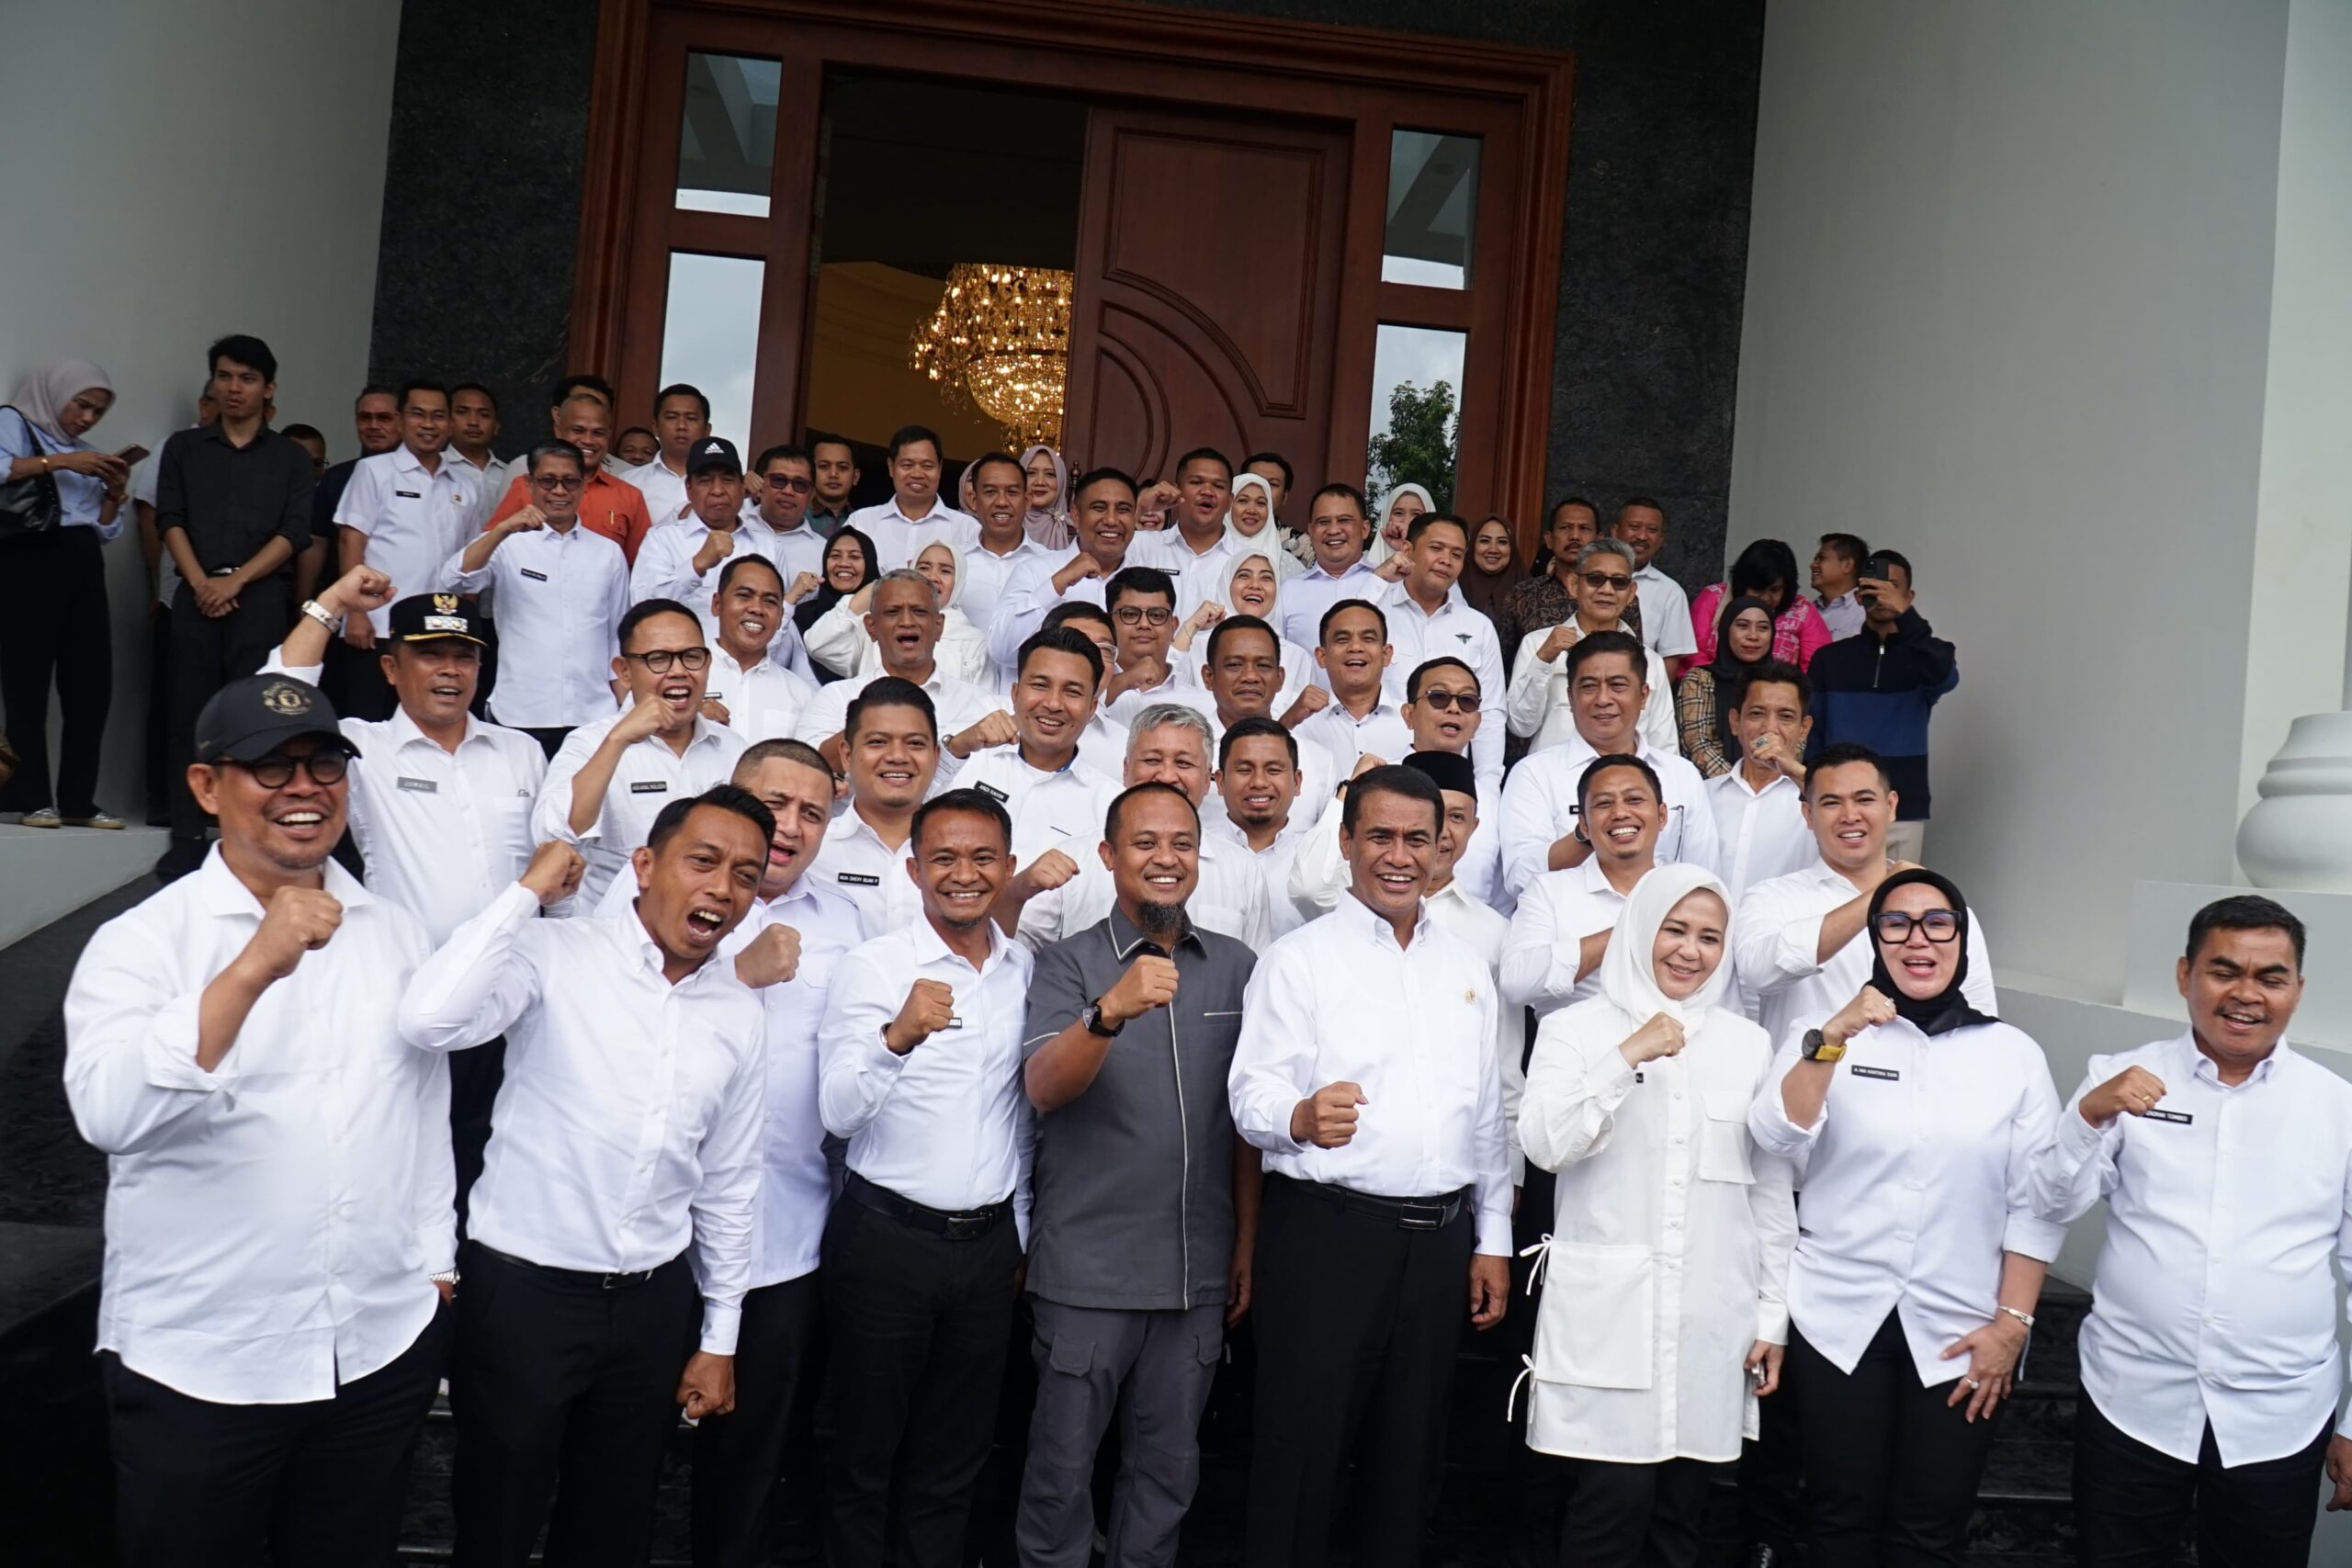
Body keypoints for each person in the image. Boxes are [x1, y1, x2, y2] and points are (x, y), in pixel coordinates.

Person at [64, 672, 447, 1566]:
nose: (303, 789)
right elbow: (109, 1114)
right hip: (204, 1363)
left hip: (375, 1347)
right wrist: (250, 969)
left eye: (323, 765)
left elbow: (421, 1106)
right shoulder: (141, 942)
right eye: (271, 768)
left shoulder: (394, 930)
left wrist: (436, 1262)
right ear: (207, 787)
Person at [399, 789, 773, 1567]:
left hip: (651, 1306)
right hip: (522, 1298)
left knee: (614, 1531)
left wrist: (720, 1338)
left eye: (745, 874)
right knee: (496, 1526)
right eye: (703, 861)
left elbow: (730, 1185)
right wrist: (525, 895)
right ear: (644, 865)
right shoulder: (554, 953)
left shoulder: (739, 1014)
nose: (722, 887)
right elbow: (430, 1020)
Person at [1229, 764, 1510, 1568]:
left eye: (1417, 838)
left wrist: (1492, 1237)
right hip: (1328, 1237)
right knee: (1301, 1454)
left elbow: (1485, 1112)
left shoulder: (1466, 966)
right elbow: (1250, 1093)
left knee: (1410, 1463)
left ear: (1442, 845)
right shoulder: (1298, 959)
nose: (1399, 854)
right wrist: (1298, 1117)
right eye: (1380, 835)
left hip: (1439, 1244)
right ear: (1347, 840)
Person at [1747, 869, 2062, 1566]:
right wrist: (1833, 1035)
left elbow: (2037, 1201)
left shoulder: (2013, 1055)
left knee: (1931, 1526)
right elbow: (1776, 1135)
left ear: (1963, 938)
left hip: (1961, 1328)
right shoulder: (1824, 1036)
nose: (1918, 939)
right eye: (1896, 924)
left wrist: (2013, 1325)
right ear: (1875, 940)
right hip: (1837, 1317)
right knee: (1837, 1518)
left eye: (1937, 922)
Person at [2029, 896, 2352, 1564]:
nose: (2246, 994)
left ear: (2297, 989)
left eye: (2270, 977)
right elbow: (2050, 1203)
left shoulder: (2338, 1107)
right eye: (2223, 970)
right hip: (2130, 1401)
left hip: (2279, 1418)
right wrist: (2087, 1117)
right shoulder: (2118, 1077)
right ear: (2185, 974)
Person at [1518, 863, 1796, 1568]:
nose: (1690, 951)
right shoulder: (1575, 1030)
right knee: (1605, 1513)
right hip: (1608, 1319)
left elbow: (1768, 1190)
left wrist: (1772, 1315)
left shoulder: (1746, 1044)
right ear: (1641, 926)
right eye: (1675, 929)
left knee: (1680, 1520)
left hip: (1709, 1315)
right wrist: (1627, 1054)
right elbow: (1546, 1144)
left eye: (1709, 936)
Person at [1016, 780, 1261, 1567]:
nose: (1166, 857)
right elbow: (1043, 1087)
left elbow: (1245, 1123)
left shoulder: (1236, 966)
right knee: (1060, 1474)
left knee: (1167, 1475)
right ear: (1109, 854)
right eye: (1146, 842)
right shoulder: (1066, 963)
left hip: (1195, 1273)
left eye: (1182, 843)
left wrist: (1244, 1243)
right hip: (1087, 1270)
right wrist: (1108, 1012)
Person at [262, 571, 550, 1220]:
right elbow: (276, 702)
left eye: (464, 655)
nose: (450, 670)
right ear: (391, 669)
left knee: (501, 1169)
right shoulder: (363, 748)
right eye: (430, 655)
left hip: (511, 1005)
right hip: (411, 1002)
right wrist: (333, 603)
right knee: (411, 1167)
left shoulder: (523, 752)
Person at [816, 787, 1035, 1568]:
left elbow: (1019, 1113)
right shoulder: (874, 966)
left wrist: (1020, 1231)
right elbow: (837, 1111)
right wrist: (896, 1037)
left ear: (1007, 866)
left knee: (954, 1455)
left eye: (982, 858)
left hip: (987, 1249)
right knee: (863, 1452)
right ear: (914, 870)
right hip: (886, 1241)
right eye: (944, 857)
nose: (963, 874)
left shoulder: (1023, 968)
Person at [669, 739, 866, 1568]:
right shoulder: (658, 898)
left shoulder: (846, 923)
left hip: (786, 1234)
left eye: (812, 812)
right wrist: (734, 975)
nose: (790, 826)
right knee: (619, 1451)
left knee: (752, 1460)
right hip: (656, 1234)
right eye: (774, 803)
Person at [154, 335, 316, 879]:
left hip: (259, 598)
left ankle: (245, 832)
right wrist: (202, 582)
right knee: (187, 714)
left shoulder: (290, 458)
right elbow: (169, 519)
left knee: (253, 717)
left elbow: (294, 533)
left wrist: (237, 581)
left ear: (268, 389)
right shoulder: (184, 448)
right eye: (224, 376)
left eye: (247, 379)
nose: (234, 388)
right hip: (195, 595)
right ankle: (185, 833)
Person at [1732, 743, 1994, 1052]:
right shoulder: (1770, 898)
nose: (1850, 815)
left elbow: (1978, 1018)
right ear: (1808, 814)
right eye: (1831, 803)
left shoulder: (1944, 909)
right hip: (1808, 1079)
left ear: (1891, 806)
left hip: (1918, 1078)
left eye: (1864, 799)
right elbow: (1759, 973)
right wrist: (1883, 893)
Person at [535, 597, 749, 908]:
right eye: (658, 659)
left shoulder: (734, 749)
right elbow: (553, 836)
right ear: (624, 671)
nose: (679, 671)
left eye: (691, 657)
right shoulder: (591, 743)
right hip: (612, 931)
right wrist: (618, 740)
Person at [1010, 703, 1275, 951]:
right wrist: (1017, 891)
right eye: (1152, 760)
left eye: (1183, 763)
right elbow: (1012, 952)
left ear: (1207, 780)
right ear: (1126, 769)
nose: (1167, 776)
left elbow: (1253, 971)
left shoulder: (1243, 870)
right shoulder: (1072, 858)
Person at [1497, 631, 1719, 899]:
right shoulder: (1534, 773)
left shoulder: (1681, 774)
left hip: (1662, 920)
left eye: (1618, 686)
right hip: (1568, 921)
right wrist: (1590, 832)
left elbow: (1704, 876)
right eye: (1589, 687)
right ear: (1570, 697)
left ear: (1644, 695)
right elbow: (1519, 878)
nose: (1603, 699)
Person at [1, 358, 128, 828]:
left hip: (82, 561)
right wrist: (60, 462)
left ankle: (79, 800)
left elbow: (104, 529)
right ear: (55, 394)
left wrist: (113, 491)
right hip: (29, 558)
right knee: (27, 683)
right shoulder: (13, 422)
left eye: (98, 412)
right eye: (82, 405)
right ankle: (31, 796)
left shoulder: (87, 454)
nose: (87, 418)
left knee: (91, 683)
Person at [446, 439, 629, 755]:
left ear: (583, 485)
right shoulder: (506, 544)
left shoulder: (608, 553)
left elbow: (617, 637)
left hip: (593, 715)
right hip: (521, 712)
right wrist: (501, 529)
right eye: (548, 481)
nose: (559, 490)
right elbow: (453, 580)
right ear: (529, 484)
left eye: (569, 481)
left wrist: (625, 707)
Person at [334, 380, 478, 719]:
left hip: (440, 628)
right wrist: (355, 612)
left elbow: (472, 558)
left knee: (431, 722)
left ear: (451, 423)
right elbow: (351, 541)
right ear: (400, 420)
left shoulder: (465, 484)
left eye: (438, 416)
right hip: (378, 626)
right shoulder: (374, 471)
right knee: (368, 722)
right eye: (418, 414)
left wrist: (468, 618)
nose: (428, 424)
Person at [1805, 550, 1953, 863]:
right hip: (1837, 804)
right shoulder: (1829, 659)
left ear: (1909, 597)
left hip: (1902, 807)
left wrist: (1906, 616)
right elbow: (1812, 737)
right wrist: (1811, 796)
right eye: (1875, 587)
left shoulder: (1925, 657)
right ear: (1859, 595)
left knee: (1897, 893)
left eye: (1893, 587)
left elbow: (1946, 676)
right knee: (1833, 890)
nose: (1884, 595)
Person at [944, 628, 1120, 888]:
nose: (1053, 704)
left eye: (1072, 691)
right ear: (1015, 693)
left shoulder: (1111, 805)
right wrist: (955, 747)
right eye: (1040, 685)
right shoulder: (966, 759)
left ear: (1092, 707)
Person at [1501, 751, 1667, 1021]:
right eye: (1604, 804)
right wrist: (1624, 933)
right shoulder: (1548, 891)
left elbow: (1718, 997)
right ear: (1584, 826)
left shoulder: (1689, 888)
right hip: (1576, 1048)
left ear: (1662, 816)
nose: (1620, 813)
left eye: (1634, 800)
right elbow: (1516, 982)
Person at [631, 436, 811, 675]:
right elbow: (641, 608)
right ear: (689, 488)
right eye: (705, 481)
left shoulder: (768, 545)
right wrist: (696, 566)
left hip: (748, 675)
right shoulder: (662, 538)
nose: (717, 490)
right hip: (677, 674)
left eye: (728, 480)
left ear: (742, 486)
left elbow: (776, 621)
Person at [793, 568, 1001, 754]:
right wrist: (869, 724)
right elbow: (806, 767)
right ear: (871, 627)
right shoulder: (836, 698)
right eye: (892, 612)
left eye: (919, 611)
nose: (907, 622)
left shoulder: (981, 704)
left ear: (939, 626)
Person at [1504, 538, 1675, 755]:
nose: (1607, 590)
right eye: (1595, 579)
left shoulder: (1651, 661)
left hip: (1626, 775)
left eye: (1619, 582)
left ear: (1631, 592)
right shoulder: (1539, 644)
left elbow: (1664, 746)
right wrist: (1544, 659)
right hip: (1555, 774)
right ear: (1574, 584)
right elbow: (1520, 726)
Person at [1376, 512, 1507, 788]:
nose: (1446, 560)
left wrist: (1487, 788)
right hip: (1382, 769)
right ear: (1407, 550)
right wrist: (1377, 581)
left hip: (1452, 781)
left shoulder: (1478, 626)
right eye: (1436, 548)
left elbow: (1491, 714)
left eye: (1456, 554)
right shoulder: (1375, 613)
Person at [808, 679, 942, 931]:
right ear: (846, 756)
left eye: (915, 743)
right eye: (878, 742)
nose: (897, 756)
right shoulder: (811, 849)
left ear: (936, 757)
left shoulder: (962, 858)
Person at [988, 466, 1144, 668]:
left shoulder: (1146, 584)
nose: (1111, 520)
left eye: (1123, 510)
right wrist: (1057, 585)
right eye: (1099, 508)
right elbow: (1001, 650)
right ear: (1076, 516)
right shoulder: (1035, 570)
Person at [482, 381, 653, 565]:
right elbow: (489, 550)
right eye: (578, 430)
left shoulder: (629, 496)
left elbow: (641, 567)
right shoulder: (526, 486)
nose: (588, 440)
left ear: (608, 436)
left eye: (598, 433)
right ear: (558, 430)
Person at [1195, 615, 1338, 829]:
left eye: (1263, 666)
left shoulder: (1319, 761)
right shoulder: (1184, 755)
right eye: (1234, 665)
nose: (1250, 676)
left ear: (1280, 678)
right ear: (1208, 676)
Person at [1705, 662, 1815, 908]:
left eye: (1785, 717)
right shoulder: (1704, 795)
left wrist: (1793, 770)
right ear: (1735, 722)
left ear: (1804, 729)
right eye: (1757, 714)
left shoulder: (1817, 799)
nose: (1769, 728)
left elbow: (1845, 810)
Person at [1170, 545, 1314, 716]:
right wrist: (1192, 625)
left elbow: (1305, 719)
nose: (1255, 585)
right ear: (1226, 583)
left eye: (1266, 578)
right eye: (1244, 576)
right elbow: (1166, 690)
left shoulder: (1298, 657)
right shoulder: (1198, 647)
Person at [1498, 495, 1640, 660]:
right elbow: (1504, 661)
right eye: (1565, 527)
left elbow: (1636, 656)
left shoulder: (1622, 595)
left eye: (1584, 528)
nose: (1575, 536)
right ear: (1549, 539)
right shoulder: (1522, 595)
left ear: (1599, 539)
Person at [699, 555, 821, 742]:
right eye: (744, 596)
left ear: (780, 616)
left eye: (770, 601)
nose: (757, 609)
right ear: (717, 604)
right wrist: (685, 721)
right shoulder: (680, 679)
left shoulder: (802, 696)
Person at [1213, 716, 1313, 940]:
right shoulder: (1196, 854)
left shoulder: (1316, 858)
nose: (1259, 782)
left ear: (1297, 782)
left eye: (1274, 770)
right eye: (1244, 770)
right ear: (1220, 781)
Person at [302, 386, 401, 607]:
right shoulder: (336, 477)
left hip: (403, 598)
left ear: (402, 421)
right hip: (343, 602)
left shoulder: (421, 478)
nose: (373, 425)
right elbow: (317, 541)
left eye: (384, 418)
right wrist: (304, 600)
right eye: (365, 417)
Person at [957, 449, 1057, 669]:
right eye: (990, 492)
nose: (1002, 502)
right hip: (964, 683)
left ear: (1027, 500)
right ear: (973, 500)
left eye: (1012, 492)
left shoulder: (1049, 566)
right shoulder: (953, 564)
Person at [1294, 600, 1410, 772]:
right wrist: (1288, 723)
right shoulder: (1298, 723)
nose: (1355, 647)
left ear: (1386, 654)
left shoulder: (1413, 722)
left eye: (1368, 639)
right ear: (1322, 656)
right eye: (1342, 640)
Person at [1686, 539, 1832, 672]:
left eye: (1775, 590)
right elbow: (1692, 653)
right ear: (1742, 584)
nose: (1765, 598)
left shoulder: (1802, 611)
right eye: (1757, 589)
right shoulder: (1715, 597)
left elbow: (1818, 669)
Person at [1099, 565, 1217, 728]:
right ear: (1108, 624)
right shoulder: (1084, 694)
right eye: (1130, 614)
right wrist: (1123, 682)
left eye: (1156, 615)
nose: (1144, 624)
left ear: (1173, 627)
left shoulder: (1207, 706)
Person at [845, 423, 978, 568]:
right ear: (891, 467)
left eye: (927, 466)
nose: (917, 474)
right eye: (907, 465)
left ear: (940, 468)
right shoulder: (862, 523)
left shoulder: (967, 528)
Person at [1677, 594, 1776, 777]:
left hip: (1774, 783)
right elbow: (1697, 743)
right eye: (1743, 626)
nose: (1753, 636)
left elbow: (1792, 742)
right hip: (1712, 785)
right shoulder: (1700, 679)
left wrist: (1763, 781)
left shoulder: (1782, 683)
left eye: (1763, 628)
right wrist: (1736, 782)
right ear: (1725, 630)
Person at [1278, 482, 1384, 649]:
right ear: (1311, 531)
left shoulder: (1386, 583)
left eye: (1344, 520)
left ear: (1364, 529)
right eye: (1323, 522)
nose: (1333, 530)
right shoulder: (1288, 591)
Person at [1129, 446, 1237, 595]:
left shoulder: (1245, 558)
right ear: (1176, 491)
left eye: (1218, 486)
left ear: (1230, 502)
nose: (1207, 491)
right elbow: (1099, 555)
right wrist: (1140, 507)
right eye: (1196, 482)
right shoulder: (1140, 544)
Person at [1613, 497, 1698, 671]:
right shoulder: (1588, 580)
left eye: (1652, 530)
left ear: (1661, 540)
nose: (1642, 536)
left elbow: (1670, 660)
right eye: (1634, 527)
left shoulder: (1670, 592)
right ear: (1615, 532)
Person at [620, 382, 712, 525]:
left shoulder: (726, 487)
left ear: (707, 429)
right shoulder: (628, 482)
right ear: (655, 427)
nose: (681, 426)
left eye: (691, 418)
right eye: (671, 417)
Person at [797, 526, 880, 678]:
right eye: (835, 556)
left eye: (854, 557)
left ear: (870, 563)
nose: (843, 563)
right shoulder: (802, 615)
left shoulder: (882, 619)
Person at [748, 441, 831, 584]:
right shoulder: (733, 527)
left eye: (800, 484)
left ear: (811, 494)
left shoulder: (824, 553)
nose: (788, 491)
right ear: (760, 485)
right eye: (779, 480)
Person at [447, 382, 516, 528]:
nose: (473, 422)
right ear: (446, 421)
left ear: (496, 426)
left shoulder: (510, 474)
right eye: (462, 412)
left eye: (484, 415)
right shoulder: (436, 469)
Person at [1223, 469, 1302, 579]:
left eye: (1260, 503)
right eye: (1243, 501)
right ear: (1229, 504)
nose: (1252, 510)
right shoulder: (1209, 554)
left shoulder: (1287, 564)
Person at [1459, 513, 1523, 643]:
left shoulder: (1529, 592)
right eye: (1485, 541)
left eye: (1502, 542)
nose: (1493, 549)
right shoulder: (1453, 587)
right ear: (1472, 545)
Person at [1811, 532, 1870, 642]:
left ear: (1847, 565)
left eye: (1822, 558)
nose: (1813, 565)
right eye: (1815, 559)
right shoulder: (1806, 611)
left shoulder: (1866, 611)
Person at [1019, 443, 1072, 547]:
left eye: (1050, 474)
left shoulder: (1075, 530)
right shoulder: (1003, 524)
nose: (1040, 482)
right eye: (1031, 473)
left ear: (1061, 481)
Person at [805, 435, 860, 536]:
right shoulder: (796, 517)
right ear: (810, 473)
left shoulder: (862, 522)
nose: (833, 474)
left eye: (842, 467)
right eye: (824, 466)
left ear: (855, 477)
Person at [1367, 480, 1430, 564]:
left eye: (1416, 514)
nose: (1407, 521)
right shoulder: (1363, 568)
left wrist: (1408, 549)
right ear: (1386, 517)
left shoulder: (1442, 564)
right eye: (1398, 513)